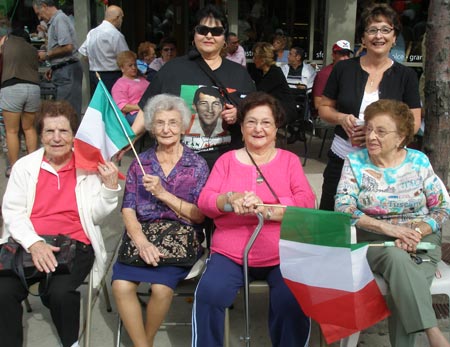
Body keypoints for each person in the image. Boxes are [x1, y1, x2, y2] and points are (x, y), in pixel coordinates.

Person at [192, 91, 315, 346]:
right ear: (241, 125)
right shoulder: (226, 161)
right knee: (209, 293)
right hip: (231, 253)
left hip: (282, 252)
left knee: (292, 299)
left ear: (276, 126)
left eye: (266, 122)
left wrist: (267, 209)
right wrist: (229, 200)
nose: (258, 129)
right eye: (251, 122)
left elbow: (307, 202)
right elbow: (205, 201)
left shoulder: (289, 161)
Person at [0, 100, 121, 347]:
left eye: (63, 131)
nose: (56, 138)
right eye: (49, 131)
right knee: (2, 292)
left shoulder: (87, 167)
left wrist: (109, 188)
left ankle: (71, 343)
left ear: (73, 135)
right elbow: (12, 212)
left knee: (60, 293)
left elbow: (96, 215)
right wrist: (34, 243)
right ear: (40, 134)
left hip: (76, 243)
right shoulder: (25, 166)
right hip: (28, 242)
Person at [335, 99, 450, 347]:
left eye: (381, 131)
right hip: (373, 240)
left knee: (404, 277)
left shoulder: (418, 162)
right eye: (369, 129)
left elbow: (442, 207)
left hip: (422, 240)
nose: (371, 136)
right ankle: (433, 333)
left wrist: (416, 232)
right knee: (399, 261)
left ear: (400, 138)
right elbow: (343, 208)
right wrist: (389, 229)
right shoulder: (355, 163)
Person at [111, 94, 209, 347]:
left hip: (181, 236)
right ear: (152, 128)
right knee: (121, 286)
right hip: (141, 234)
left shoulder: (196, 165)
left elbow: (200, 214)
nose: (166, 129)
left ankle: (146, 340)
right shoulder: (140, 163)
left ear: (184, 127)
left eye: (173, 123)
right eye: (160, 123)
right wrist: (142, 242)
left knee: (161, 288)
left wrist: (163, 194)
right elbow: (128, 209)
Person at [318, 3, 421, 211]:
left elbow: (414, 123)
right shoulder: (343, 69)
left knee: (377, 222)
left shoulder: (406, 76)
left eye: (385, 30)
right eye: (372, 30)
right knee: (332, 221)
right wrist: (340, 118)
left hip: (386, 164)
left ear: (394, 38)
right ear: (363, 38)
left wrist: (375, 135)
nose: (378, 36)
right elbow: (324, 107)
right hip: (342, 158)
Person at [133, 4, 255, 170]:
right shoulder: (172, 69)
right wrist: (128, 141)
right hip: (178, 166)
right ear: (194, 34)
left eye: (216, 31)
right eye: (203, 30)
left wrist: (239, 114)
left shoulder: (239, 74)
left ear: (224, 38)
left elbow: (255, 115)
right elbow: (146, 109)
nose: (209, 35)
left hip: (225, 166)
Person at [0, 28, 40, 178]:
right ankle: (33, 166)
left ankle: (14, 168)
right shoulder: (32, 49)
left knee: (12, 131)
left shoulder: (6, 44)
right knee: (29, 128)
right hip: (33, 88)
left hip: (12, 87)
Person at [32, 0, 83, 116]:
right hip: (63, 68)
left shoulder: (59, 19)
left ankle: (70, 133)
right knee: (63, 110)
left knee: (66, 112)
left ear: (44, 6)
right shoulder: (55, 21)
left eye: (38, 13)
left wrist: (47, 55)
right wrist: (54, 67)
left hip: (67, 70)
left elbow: (67, 47)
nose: (39, 17)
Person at [252, 42, 300, 141]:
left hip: (284, 110)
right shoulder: (262, 73)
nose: (253, 59)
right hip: (273, 108)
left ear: (263, 59)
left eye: (255, 57)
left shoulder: (275, 73)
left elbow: (257, 93)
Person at [79, 5, 129, 94]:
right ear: (117, 18)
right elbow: (125, 58)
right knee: (112, 104)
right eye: (122, 18)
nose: (122, 21)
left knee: (100, 105)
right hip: (112, 75)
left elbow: (84, 53)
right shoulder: (115, 35)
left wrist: (96, 62)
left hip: (94, 74)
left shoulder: (92, 32)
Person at [111, 50, 149, 126]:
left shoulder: (142, 79)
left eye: (135, 64)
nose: (134, 68)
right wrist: (140, 107)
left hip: (149, 109)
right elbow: (122, 106)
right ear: (122, 68)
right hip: (133, 114)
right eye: (130, 65)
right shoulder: (119, 85)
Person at [312, 40, 352, 110]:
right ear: (333, 56)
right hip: (327, 116)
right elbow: (318, 104)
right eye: (342, 55)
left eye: (348, 55)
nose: (346, 58)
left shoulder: (350, 72)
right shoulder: (324, 74)